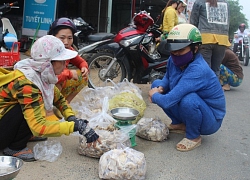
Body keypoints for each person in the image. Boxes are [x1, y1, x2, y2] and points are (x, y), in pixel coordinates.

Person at [0, 35, 101, 162]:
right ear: (48, 63)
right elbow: (39, 127)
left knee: (35, 107)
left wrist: (71, 117)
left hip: (5, 122)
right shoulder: (27, 83)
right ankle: (15, 147)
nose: (65, 65)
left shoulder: (41, 75)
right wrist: (74, 127)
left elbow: (59, 99)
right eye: (62, 61)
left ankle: (24, 136)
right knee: (31, 108)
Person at [149, 24, 225, 152]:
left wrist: (154, 95)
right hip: (197, 107)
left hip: (211, 119)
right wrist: (160, 88)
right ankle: (179, 123)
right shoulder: (173, 60)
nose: (176, 54)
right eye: (173, 50)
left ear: (195, 48)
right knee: (156, 83)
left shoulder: (199, 69)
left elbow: (168, 101)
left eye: (181, 50)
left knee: (188, 99)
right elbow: (167, 78)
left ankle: (194, 137)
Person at [48, 17, 89, 104]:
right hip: (45, 86)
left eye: (70, 38)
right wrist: (69, 73)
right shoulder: (47, 50)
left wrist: (84, 67)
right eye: (62, 38)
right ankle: (52, 107)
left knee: (82, 76)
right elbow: (48, 76)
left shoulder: (69, 50)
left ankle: (65, 104)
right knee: (57, 85)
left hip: (60, 80)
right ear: (53, 37)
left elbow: (81, 61)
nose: (66, 42)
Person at [190, 0, 231, 78]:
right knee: (216, 69)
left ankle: (205, 89)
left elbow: (193, 22)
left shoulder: (199, 2)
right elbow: (228, 22)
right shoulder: (226, 3)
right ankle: (215, 89)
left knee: (205, 69)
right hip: (222, 40)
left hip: (205, 39)